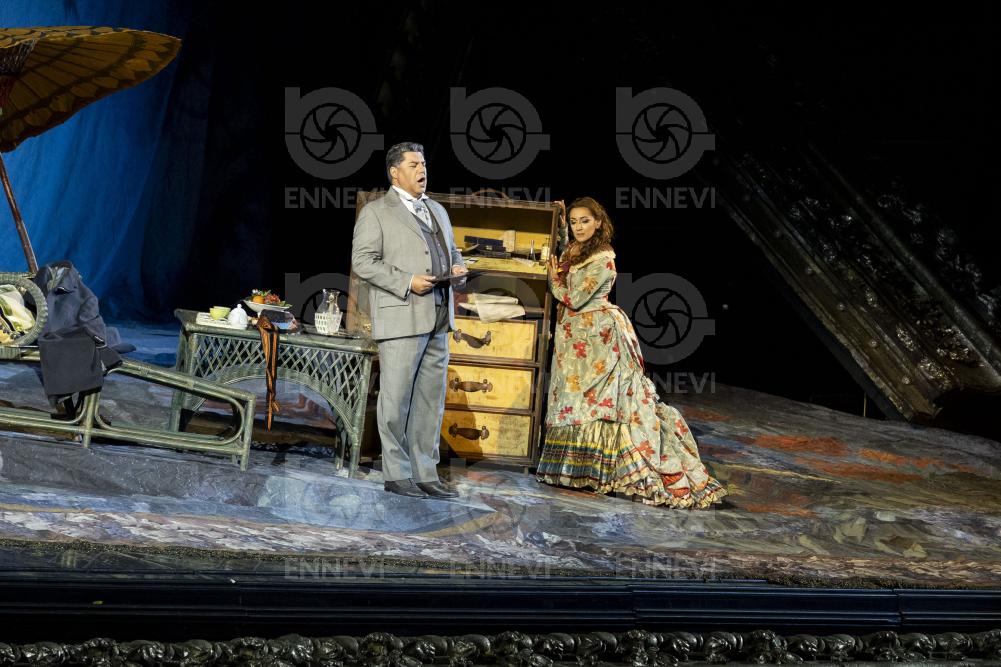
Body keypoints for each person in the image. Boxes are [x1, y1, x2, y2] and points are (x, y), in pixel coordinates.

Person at [536, 197, 727, 508]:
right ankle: (575, 470)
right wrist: (559, 224)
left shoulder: (603, 259)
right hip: (572, 337)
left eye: (585, 220)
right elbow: (565, 255)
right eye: (574, 221)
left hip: (597, 336)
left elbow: (575, 298)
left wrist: (553, 280)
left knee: (602, 402)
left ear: (599, 222)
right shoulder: (576, 249)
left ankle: (611, 472)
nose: (579, 227)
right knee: (572, 399)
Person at [351, 142, 467, 499]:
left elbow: (452, 251)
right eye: (414, 164)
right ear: (395, 172)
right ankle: (397, 473)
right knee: (396, 399)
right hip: (402, 316)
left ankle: (425, 473)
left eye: (424, 163)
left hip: (438, 317)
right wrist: (407, 281)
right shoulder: (377, 212)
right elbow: (363, 261)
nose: (422, 170)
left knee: (430, 402)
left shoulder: (437, 210)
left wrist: (458, 269)